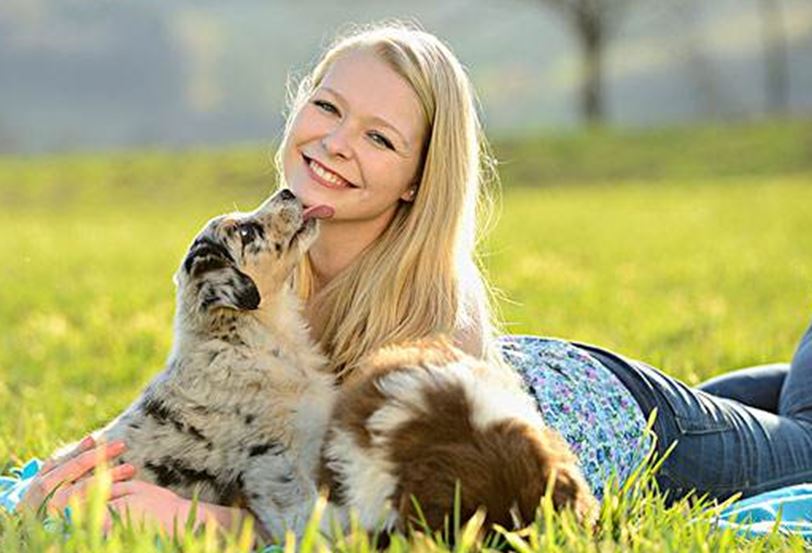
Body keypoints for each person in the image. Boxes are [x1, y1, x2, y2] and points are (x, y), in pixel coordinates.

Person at [10, 21, 812, 538]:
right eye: (327, 107)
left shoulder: (436, 312)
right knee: (780, 404)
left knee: (804, 442)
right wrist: (78, 479)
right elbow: (193, 424)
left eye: (380, 138)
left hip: (622, 420)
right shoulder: (261, 263)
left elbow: (399, 527)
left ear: (416, 181)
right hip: (537, 370)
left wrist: (207, 525)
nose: (335, 142)